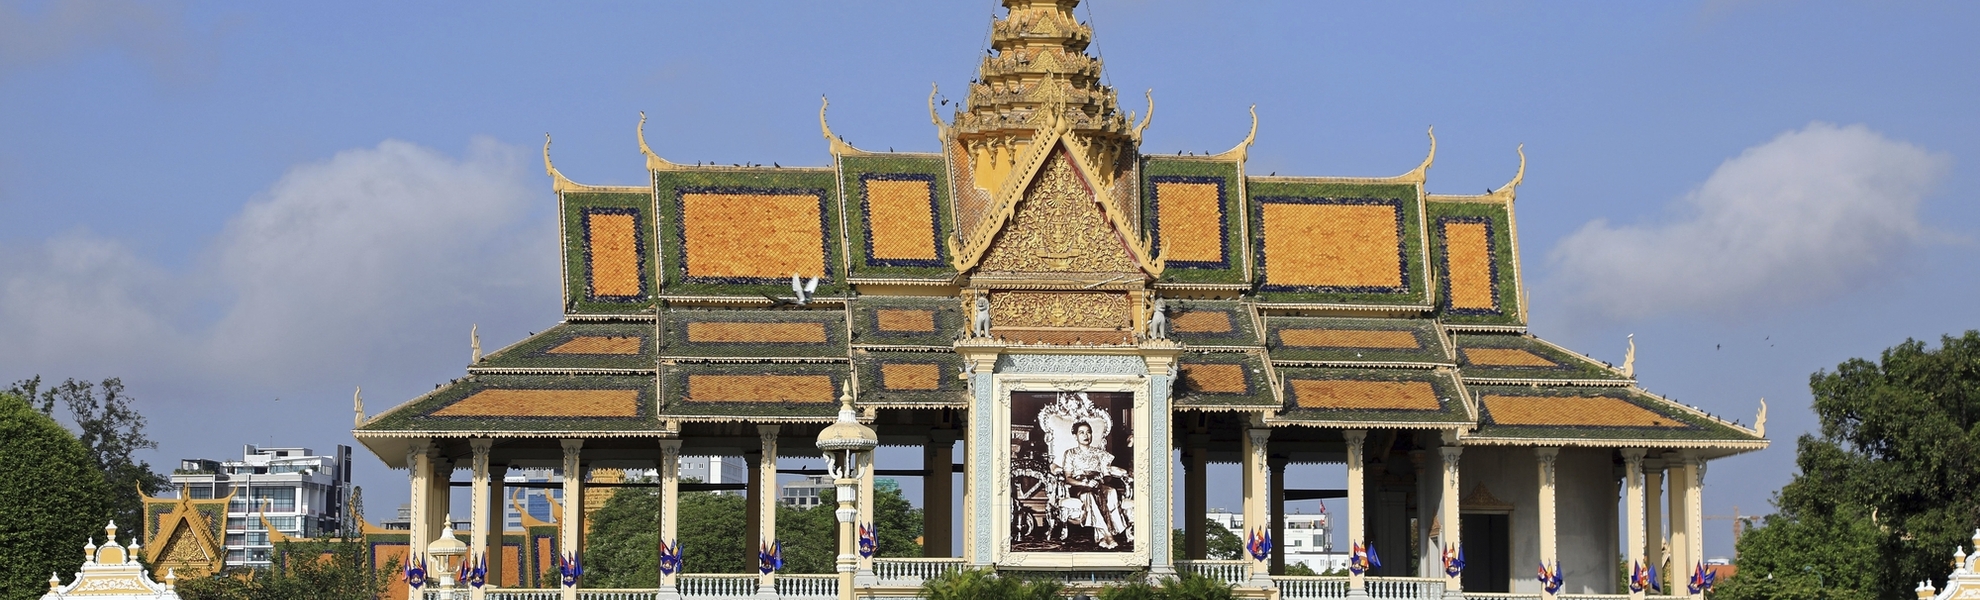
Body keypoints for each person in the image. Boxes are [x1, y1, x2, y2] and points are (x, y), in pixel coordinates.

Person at [1057, 420, 1131, 549]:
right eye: (1082, 433)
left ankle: (1103, 535)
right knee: (1089, 495)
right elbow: (1068, 478)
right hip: (1079, 486)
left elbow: (1107, 475)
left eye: (1088, 432)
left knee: (1112, 492)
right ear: (1075, 436)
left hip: (1098, 483)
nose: (1086, 435)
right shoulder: (1070, 453)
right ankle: (1108, 535)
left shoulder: (1100, 453)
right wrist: (1083, 483)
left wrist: (1100, 480)